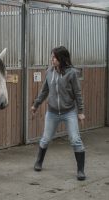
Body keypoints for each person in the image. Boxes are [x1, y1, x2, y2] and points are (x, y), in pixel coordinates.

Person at [31, 46, 86, 181]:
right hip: (52, 112)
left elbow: (78, 93)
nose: (52, 59)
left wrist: (81, 112)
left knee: (75, 140)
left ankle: (80, 170)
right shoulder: (49, 71)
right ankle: (39, 162)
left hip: (69, 112)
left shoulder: (72, 73)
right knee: (45, 139)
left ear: (61, 59)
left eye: (54, 57)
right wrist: (36, 105)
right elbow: (44, 91)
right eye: (52, 57)